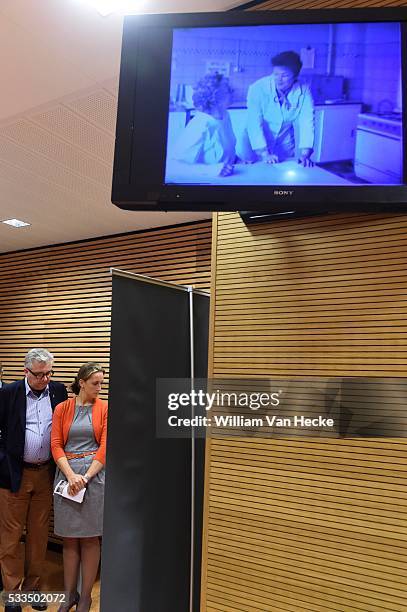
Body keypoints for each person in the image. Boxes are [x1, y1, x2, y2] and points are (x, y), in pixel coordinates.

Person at [0, 349, 68, 612]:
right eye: (39, 374)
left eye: (49, 373)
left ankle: (32, 588)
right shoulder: (9, 393)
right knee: (11, 537)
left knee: (39, 535)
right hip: (14, 474)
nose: (45, 379)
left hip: (45, 473)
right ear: (26, 371)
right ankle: (12, 592)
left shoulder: (58, 391)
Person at [51, 363, 107, 612]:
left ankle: (85, 597)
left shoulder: (105, 408)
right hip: (67, 476)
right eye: (95, 383)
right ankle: (68, 595)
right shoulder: (62, 408)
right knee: (69, 538)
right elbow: (55, 444)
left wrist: (84, 477)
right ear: (81, 382)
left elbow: (106, 447)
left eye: (101, 382)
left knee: (91, 538)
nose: (99, 387)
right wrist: (71, 475)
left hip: (93, 478)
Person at [240, 51, 315, 167]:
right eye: (276, 74)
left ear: (295, 76)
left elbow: (307, 121)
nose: (279, 79)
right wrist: (264, 153)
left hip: (284, 143)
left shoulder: (304, 90)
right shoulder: (258, 88)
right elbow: (254, 122)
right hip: (255, 143)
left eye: (284, 75)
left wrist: (305, 153)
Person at [172, 73, 237, 176]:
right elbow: (174, 166)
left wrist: (236, 160)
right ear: (215, 96)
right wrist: (211, 170)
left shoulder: (225, 116)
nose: (233, 92)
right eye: (228, 89)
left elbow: (224, 151)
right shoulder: (199, 124)